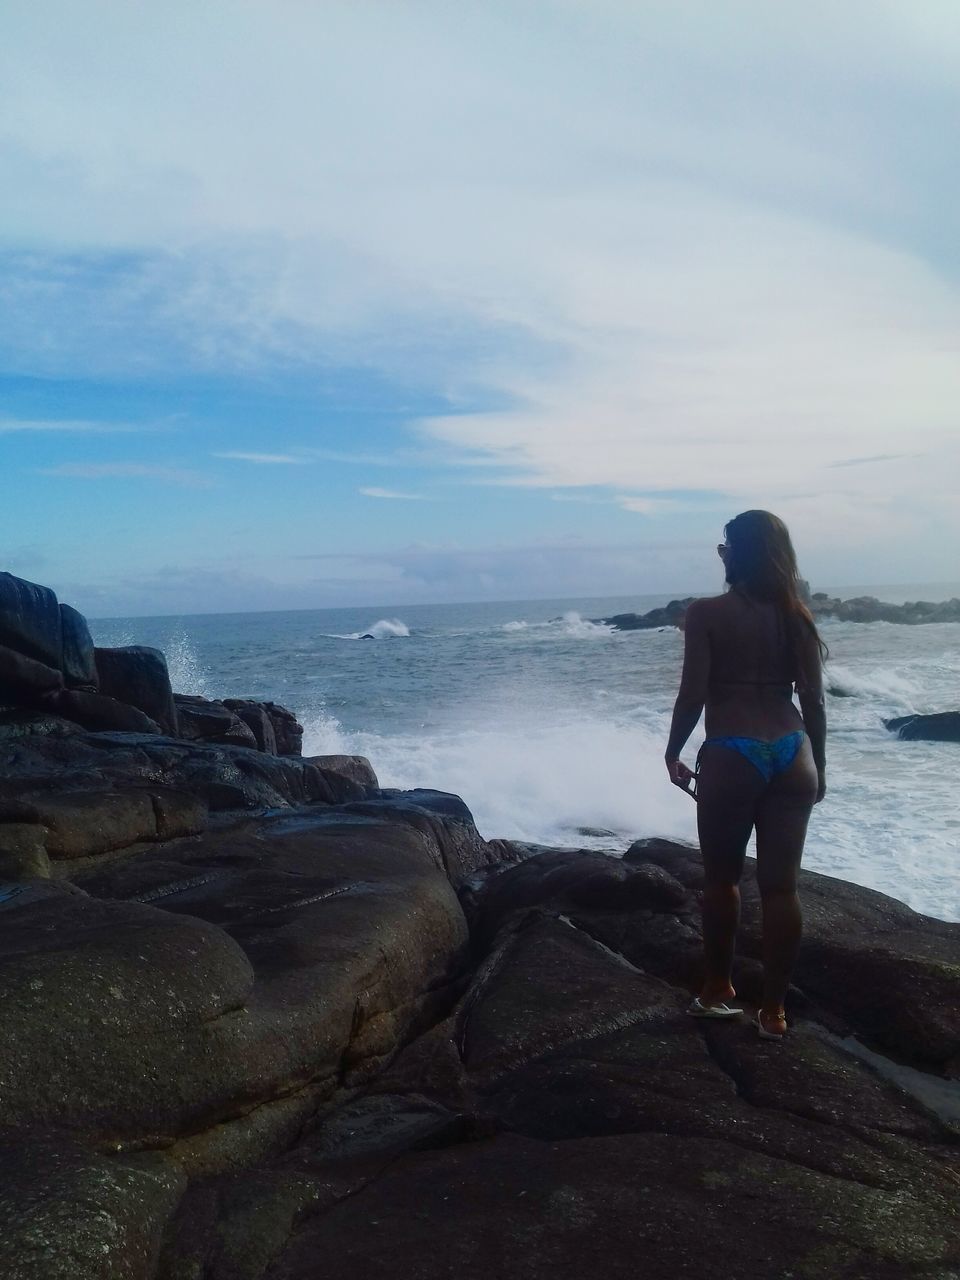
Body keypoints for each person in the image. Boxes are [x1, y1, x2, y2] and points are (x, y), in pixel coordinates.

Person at [664, 510, 827, 1040]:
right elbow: (814, 702)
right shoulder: (796, 615)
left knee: (722, 880)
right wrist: (818, 766)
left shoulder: (707, 613)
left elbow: (693, 694)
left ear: (742, 552)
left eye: (726, 545)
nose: (723, 553)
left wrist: (672, 751)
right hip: (792, 748)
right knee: (782, 889)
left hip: (733, 750)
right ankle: (775, 1013)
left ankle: (718, 990)